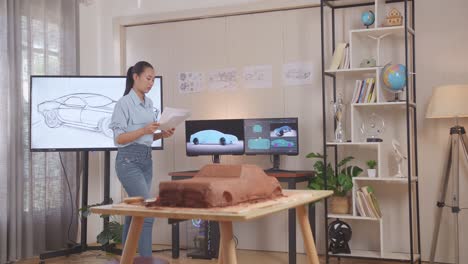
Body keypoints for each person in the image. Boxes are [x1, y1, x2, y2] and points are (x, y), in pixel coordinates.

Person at [109, 61, 175, 257]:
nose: (151, 83)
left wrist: (161, 134)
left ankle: (126, 259)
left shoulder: (150, 104)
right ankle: (147, 260)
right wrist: (144, 130)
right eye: (148, 78)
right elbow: (119, 139)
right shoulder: (123, 104)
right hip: (128, 161)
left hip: (146, 160)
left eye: (153, 79)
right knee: (147, 212)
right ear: (135, 77)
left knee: (135, 212)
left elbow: (145, 137)